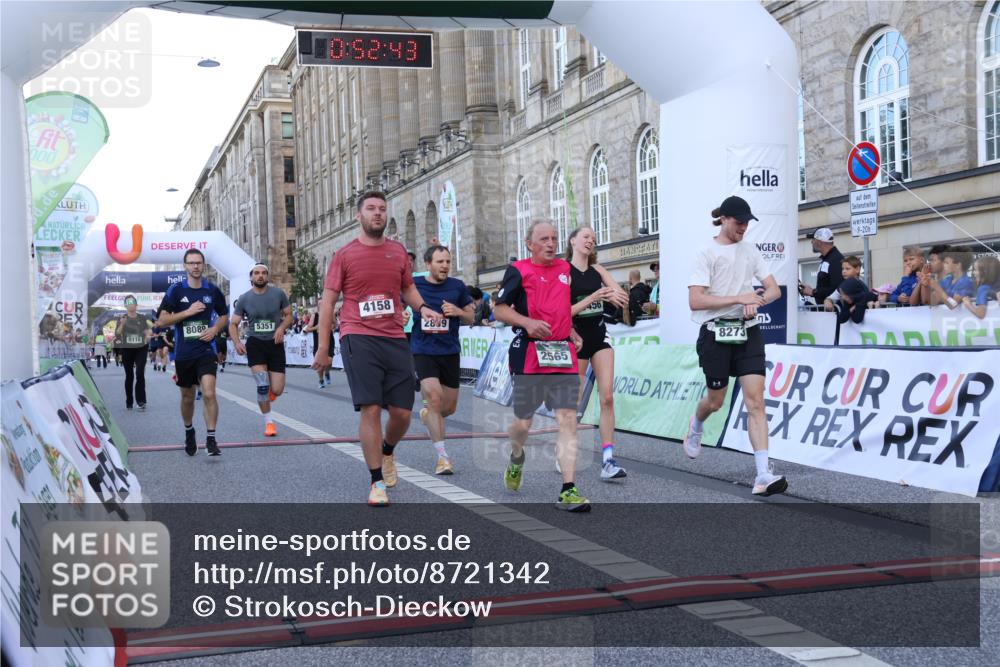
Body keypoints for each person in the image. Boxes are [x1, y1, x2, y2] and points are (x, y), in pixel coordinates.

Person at [311, 191, 443, 506]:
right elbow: (328, 301)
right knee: (370, 407)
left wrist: (423, 307)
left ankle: (387, 450)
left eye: (382, 209)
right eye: (371, 209)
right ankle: (376, 482)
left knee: (401, 413)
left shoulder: (397, 252)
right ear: (359, 216)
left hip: (395, 337)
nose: (377, 213)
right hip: (358, 336)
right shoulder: (344, 255)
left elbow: (407, 287)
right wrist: (323, 347)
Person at [683, 196, 786, 496]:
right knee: (715, 401)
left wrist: (757, 301)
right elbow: (696, 299)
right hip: (715, 334)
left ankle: (763, 474)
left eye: (747, 223)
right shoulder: (706, 252)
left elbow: (774, 289)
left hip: (748, 333)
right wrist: (739, 298)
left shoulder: (751, 251)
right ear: (725, 219)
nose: (743, 228)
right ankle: (697, 422)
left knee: (756, 402)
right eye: (739, 222)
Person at [494, 220, 590, 512]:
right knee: (524, 422)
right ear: (529, 245)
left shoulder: (564, 270)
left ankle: (568, 488)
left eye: (554, 238)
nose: (550, 244)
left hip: (561, 351)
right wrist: (527, 322)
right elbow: (498, 309)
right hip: (529, 352)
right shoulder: (518, 271)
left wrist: (570, 330)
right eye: (544, 239)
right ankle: (516, 453)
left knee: (567, 418)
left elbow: (560, 305)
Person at [565, 226, 630, 481]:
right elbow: (562, 313)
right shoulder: (564, 273)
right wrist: (594, 297)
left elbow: (620, 295)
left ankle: (608, 460)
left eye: (593, 238)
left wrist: (616, 296)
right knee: (574, 402)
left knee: (608, 398)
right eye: (585, 237)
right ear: (573, 241)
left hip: (599, 335)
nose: (590, 241)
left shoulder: (598, 270)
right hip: (576, 338)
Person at [157, 248, 229, 457]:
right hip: (183, 352)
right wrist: (187, 312)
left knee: (208, 393)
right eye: (191, 263)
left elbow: (224, 315)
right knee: (187, 397)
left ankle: (211, 438)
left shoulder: (211, 290)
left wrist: (215, 329)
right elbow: (161, 320)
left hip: (206, 349)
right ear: (185, 266)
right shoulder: (176, 291)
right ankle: (189, 431)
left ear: (203, 265)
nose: (195, 266)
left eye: (199, 262)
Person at [411, 245, 475, 474]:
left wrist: (458, 312)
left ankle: (429, 416)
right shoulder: (415, 286)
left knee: (448, 408)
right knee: (435, 398)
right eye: (440, 262)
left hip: (449, 351)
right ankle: (443, 458)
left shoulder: (457, 286)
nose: (445, 266)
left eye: (448, 261)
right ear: (428, 264)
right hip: (423, 349)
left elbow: (471, 317)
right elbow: (399, 302)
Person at [230, 263, 293, 437]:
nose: (260, 276)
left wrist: (281, 328)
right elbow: (233, 324)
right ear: (251, 277)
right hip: (255, 343)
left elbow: (289, 315)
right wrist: (237, 342)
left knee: (278, 389)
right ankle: (269, 423)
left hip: (275, 343)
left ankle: (269, 394)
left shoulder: (278, 294)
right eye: (256, 273)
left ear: (267, 276)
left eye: (264, 273)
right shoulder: (244, 298)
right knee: (263, 385)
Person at [114, 295, 151, 410]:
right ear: (125, 305)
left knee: (140, 373)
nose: (131, 305)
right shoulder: (122, 318)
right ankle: (129, 400)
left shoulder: (142, 318)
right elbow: (117, 333)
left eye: (132, 302)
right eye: (128, 303)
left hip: (141, 348)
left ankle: (141, 401)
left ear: (136, 304)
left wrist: (148, 336)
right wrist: (123, 323)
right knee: (129, 376)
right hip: (127, 349)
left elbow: (147, 331)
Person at [798, 227, 844, 305]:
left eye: (813, 239)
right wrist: (812, 291)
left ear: (819, 242)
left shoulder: (836, 260)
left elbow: (838, 289)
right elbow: (826, 287)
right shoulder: (828, 259)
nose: (811, 242)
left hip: (832, 312)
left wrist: (813, 292)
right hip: (825, 311)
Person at [962, 255, 1000, 319]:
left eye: (976, 270)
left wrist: (968, 304)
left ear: (984, 272)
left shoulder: (983, 289)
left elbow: (981, 314)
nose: (973, 273)